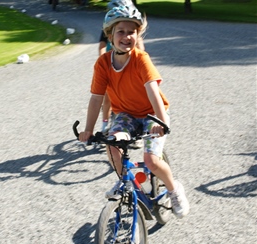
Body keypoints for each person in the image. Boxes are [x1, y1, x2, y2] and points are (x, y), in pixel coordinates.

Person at [79, 5, 189, 219]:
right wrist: (89, 130)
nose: (127, 36)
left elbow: (153, 91)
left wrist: (160, 121)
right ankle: (125, 182)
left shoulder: (140, 59)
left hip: (151, 114)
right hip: (125, 115)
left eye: (132, 31)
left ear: (137, 35)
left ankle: (174, 189)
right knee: (111, 144)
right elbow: (96, 99)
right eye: (121, 31)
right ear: (110, 35)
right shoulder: (102, 64)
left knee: (151, 161)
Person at [98, 0, 145, 138]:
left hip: (129, 67)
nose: (126, 35)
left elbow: (141, 46)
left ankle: (138, 130)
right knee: (107, 96)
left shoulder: (133, 31)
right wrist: (103, 62)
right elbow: (101, 45)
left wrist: (140, 60)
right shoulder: (109, 28)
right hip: (112, 66)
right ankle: (105, 123)